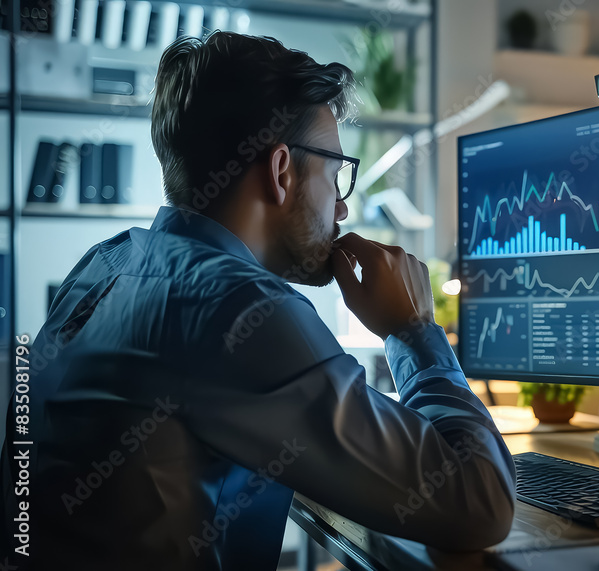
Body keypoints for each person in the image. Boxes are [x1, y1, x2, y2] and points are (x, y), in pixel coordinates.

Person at [1, 32, 515, 569]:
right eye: (335, 175)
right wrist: (413, 332)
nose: (340, 211)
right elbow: (477, 503)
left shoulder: (105, 263)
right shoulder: (236, 304)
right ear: (281, 170)